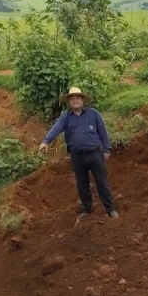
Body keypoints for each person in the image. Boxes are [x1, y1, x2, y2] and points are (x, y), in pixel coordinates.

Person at [38, 87, 119, 219]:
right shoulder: (65, 118)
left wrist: (106, 149)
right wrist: (46, 141)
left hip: (94, 154)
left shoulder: (93, 114)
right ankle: (87, 209)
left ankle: (110, 209)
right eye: (72, 99)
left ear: (83, 100)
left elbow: (102, 132)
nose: (75, 101)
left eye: (78, 98)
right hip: (77, 155)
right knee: (82, 184)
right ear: (69, 102)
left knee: (102, 182)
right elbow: (56, 128)